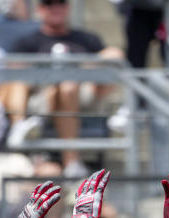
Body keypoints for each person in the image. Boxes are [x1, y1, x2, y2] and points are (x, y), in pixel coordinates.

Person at [8, 0, 125, 175]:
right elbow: (12, 71)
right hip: (44, 95)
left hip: (86, 92)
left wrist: (74, 69)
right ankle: (71, 161)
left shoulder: (86, 38)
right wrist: (51, 74)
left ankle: (121, 112)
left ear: (68, 7)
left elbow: (113, 57)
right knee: (66, 87)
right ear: (40, 9)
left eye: (61, 3)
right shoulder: (28, 42)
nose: (56, 7)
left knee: (114, 55)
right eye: (49, 3)